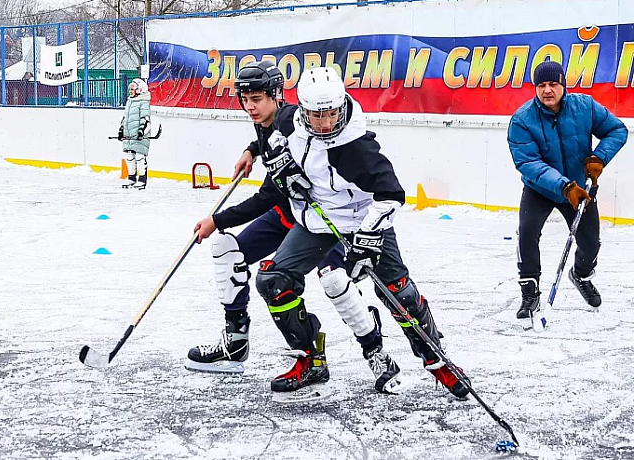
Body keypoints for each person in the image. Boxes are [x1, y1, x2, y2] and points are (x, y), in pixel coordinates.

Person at [186, 61, 400, 394]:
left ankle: (376, 350)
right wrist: (251, 149)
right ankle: (238, 342)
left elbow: (267, 195)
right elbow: (267, 140)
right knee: (230, 253)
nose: (250, 107)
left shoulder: (292, 125)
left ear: (277, 96)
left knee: (335, 282)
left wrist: (218, 219)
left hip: (319, 221)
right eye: (245, 99)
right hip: (289, 218)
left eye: (257, 98)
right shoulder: (268, 121)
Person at [255, 66, 470, 398]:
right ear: (302, 111)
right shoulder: (289, 121)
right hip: (319, 219)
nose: (325, 123)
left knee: (396, 291)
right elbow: (272, 139)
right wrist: (282, 168)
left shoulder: (357, 148)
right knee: (273, 280)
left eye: (331, 113)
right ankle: (310, 359)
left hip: (365, 218)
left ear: (341, 106)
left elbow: (392, 195)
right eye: (316, 115)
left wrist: (367, 239)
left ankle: (438, 361)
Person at [507, 60, 627, 320]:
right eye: (541, 85)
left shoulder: (585, 107)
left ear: (563, 85)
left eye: (553, 84)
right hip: (541, 188)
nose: (547, 90)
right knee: (527, 233)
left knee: (590, 243)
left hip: (579, 188)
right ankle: (530, 291)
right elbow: (527, 162)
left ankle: (581, 275)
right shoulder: (522, 119)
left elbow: (617, 130)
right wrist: (562, 185)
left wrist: (598, 159)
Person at [118, 78, 152, 189]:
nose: (130, 91)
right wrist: (121, 129)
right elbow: (126, 117)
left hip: (139, 135)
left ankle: (142, 179)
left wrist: (142, 131)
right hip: (129, 134)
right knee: (129, 156)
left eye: (133, 89)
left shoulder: (143, 102)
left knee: (139, 156)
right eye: (130, 89)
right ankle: (131, 178)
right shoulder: (130, 101)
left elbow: (145, 118)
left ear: (140, 90)